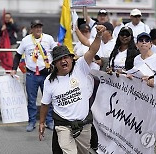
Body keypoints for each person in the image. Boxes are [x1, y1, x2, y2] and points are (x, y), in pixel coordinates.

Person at [39, 25, 106, 154]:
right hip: (63, 126)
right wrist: (42, 123)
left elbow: (93, 50)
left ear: (71, 58)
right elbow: (44, 104)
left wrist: (98, 35)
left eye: (66, 57)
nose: (63, 61)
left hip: (84, 124)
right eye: (59, 59)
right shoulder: (49, 81)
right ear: (55, 64)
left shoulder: (80, 67)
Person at [10, 19, 57, 132]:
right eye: (36, 27)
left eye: (40, 27)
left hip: (46, 74)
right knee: (31, 100)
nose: (38, 29)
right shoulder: (26, 40)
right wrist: (14, 69)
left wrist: (55, 67)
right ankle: (32, 121)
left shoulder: (48, 38)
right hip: (31, 75)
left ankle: (49, 120)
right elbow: (17, 55)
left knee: (48, 99)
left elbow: (56, 51)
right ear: (31, 29)